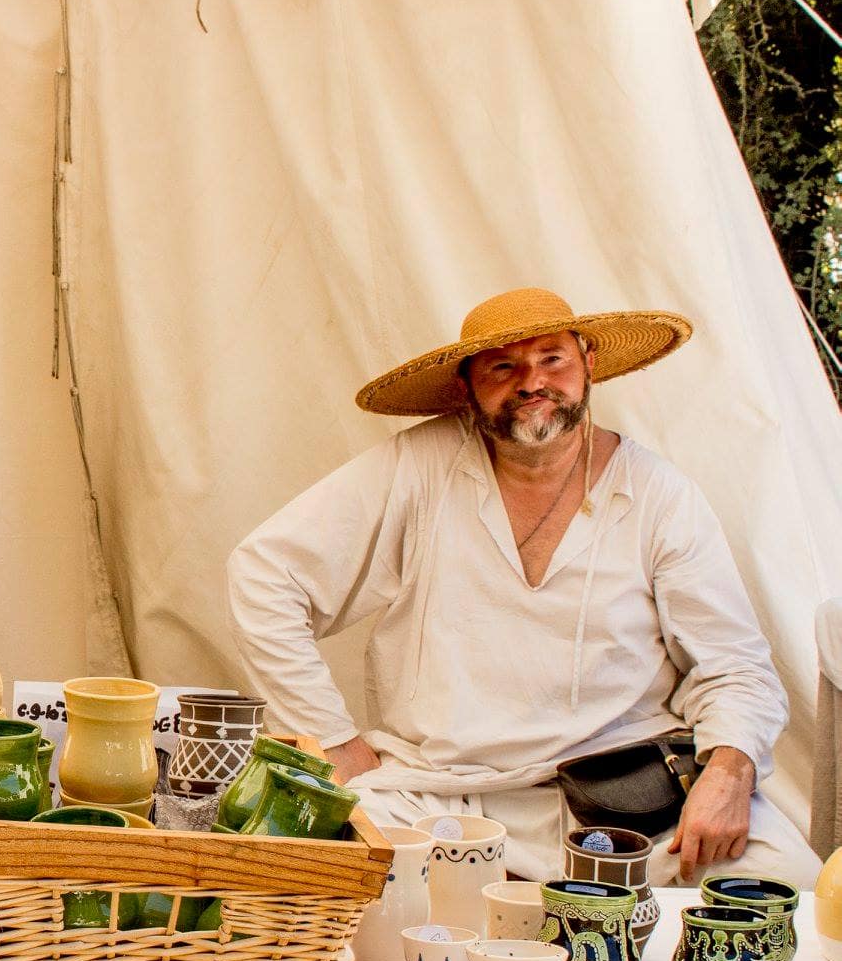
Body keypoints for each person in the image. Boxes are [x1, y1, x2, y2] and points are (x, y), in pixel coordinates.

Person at [226, 288, 820, 886]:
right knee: (328, 879)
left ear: (588, 363)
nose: (532, 382)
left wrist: (728, 771)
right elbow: (264, 573)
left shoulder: (659, 494)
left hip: (631, 794)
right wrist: (333, 740)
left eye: (552, 359)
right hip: (440, 795)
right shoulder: (417, 466)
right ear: (467, 387)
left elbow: (734, 664)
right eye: (503, 367)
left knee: (784, 880)